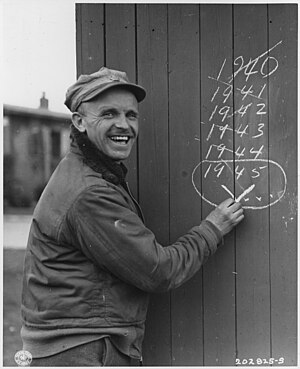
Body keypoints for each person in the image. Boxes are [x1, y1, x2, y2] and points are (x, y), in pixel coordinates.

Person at [21, 67, 244, 366]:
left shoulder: (91, 173)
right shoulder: (89, 193)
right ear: (79, 121)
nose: (123, 125)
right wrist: (213, 228)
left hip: (80, 345)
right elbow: (158, 270)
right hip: (81, 351)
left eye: (131, 115)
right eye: (109, 114)